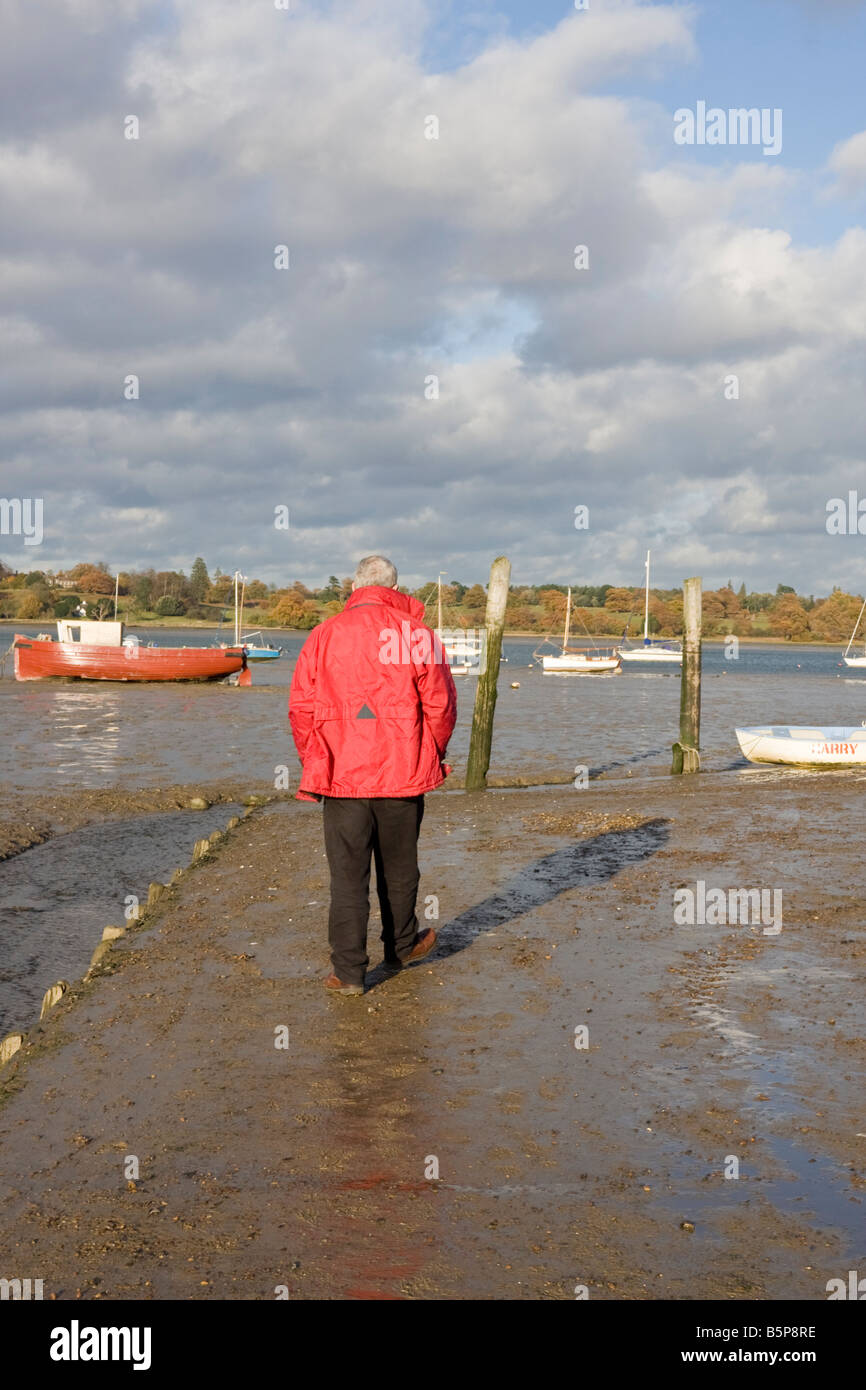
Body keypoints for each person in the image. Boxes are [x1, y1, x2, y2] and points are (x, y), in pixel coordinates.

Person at [289, 556, 457, 995]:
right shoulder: (416, 634)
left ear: (354, 586)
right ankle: (401, 945)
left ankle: (348, 973)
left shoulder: (323, 635)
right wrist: (431, 751)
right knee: (400, 867)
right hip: (401, 770)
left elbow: (301, 709)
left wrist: (316, 758)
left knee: (347, 876)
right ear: (395, 587)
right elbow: (440, 704)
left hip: (343, 774)